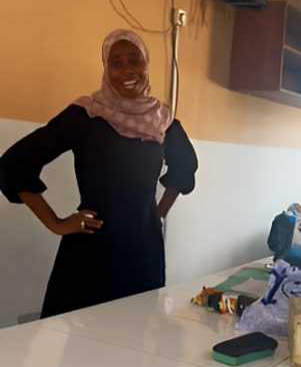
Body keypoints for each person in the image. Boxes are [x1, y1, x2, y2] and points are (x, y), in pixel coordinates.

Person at [0, 29, 198, 318]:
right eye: (116, 63)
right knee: (79, 351)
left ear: (146, 64)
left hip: (142, 252)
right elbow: (15, 163)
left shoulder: (162, 120)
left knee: (135, 343)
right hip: (90, 251)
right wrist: (56, 224)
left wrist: (156, 214)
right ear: (106, 69)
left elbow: (185, 168)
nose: (127, 70)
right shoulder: (87, 115)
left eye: (135, 60)